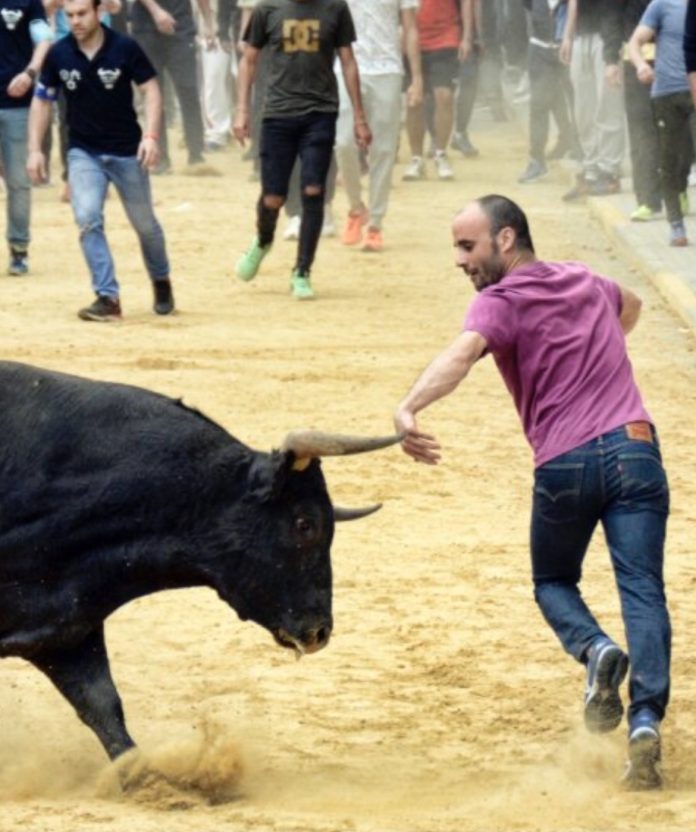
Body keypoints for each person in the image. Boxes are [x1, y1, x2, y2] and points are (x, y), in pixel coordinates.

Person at [394, 194, 670, 791]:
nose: (460, 260)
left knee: (553, 582)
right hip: (635, 445)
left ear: (507, 240)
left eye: (468, 246)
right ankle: (646, 721)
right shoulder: (582, 279)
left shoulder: (500, 303)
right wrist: (597, 351)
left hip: (566, 461)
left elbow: (461, 356)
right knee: (643, 589)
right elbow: (635, 305)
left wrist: (411, 406)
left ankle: (596, 650)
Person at [27, 0, 175, 322]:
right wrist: (35, 149)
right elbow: (42, 101)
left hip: (126, 151)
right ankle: (108, 297)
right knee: (88, 217)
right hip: (84, 152)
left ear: (99, 12)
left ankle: (161, 280)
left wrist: (150, 136)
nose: (76, 21)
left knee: (145, 226)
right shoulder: (59, 54)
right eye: (70, 16)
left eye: (82, 14)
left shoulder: (125, 47)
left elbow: (151, 90)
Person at [233, 0, 371, 301]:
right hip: (277, 114)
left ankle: (302, 271)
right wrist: (242, 110)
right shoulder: (266, 8)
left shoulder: (335, 8)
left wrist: (359, 117)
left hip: (320, 112)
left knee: (312, 191)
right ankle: (263, 240)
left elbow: (348, 61)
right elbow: (249, 59)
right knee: (273, 197)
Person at [334, 0, 422, 253]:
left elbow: (410, 27)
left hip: (388, 69)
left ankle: (375, 224)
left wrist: (416, 77)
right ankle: (355, 207)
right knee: (343, 142)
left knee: (383, 149)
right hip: (346, 64)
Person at [629, 0, 696, 246]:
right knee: (670, 159)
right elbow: (636, 42)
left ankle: (681, 189)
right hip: (666, 93)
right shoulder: (662, 5)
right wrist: (641, 66)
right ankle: (676, 224)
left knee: (688, 154)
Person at [131, 0, 216, 173]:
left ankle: (196, 152)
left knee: (189, 88)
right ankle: (159, 156)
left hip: (180, 25)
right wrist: (156, 11)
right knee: (153, 92)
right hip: (146, 27)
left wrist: (209, 23)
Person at [0, 0, 52, 275]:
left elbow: (43, 38)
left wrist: (31, 71)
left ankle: (19, 248)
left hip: (16, 103)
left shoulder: (28, 1)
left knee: (19, 181)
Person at [402, 0, 470, 182]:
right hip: (412, 36)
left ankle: (440, 153)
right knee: (414, 100)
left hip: (447, 36)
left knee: (445, 96)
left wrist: (467, 36)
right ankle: (416, 158)